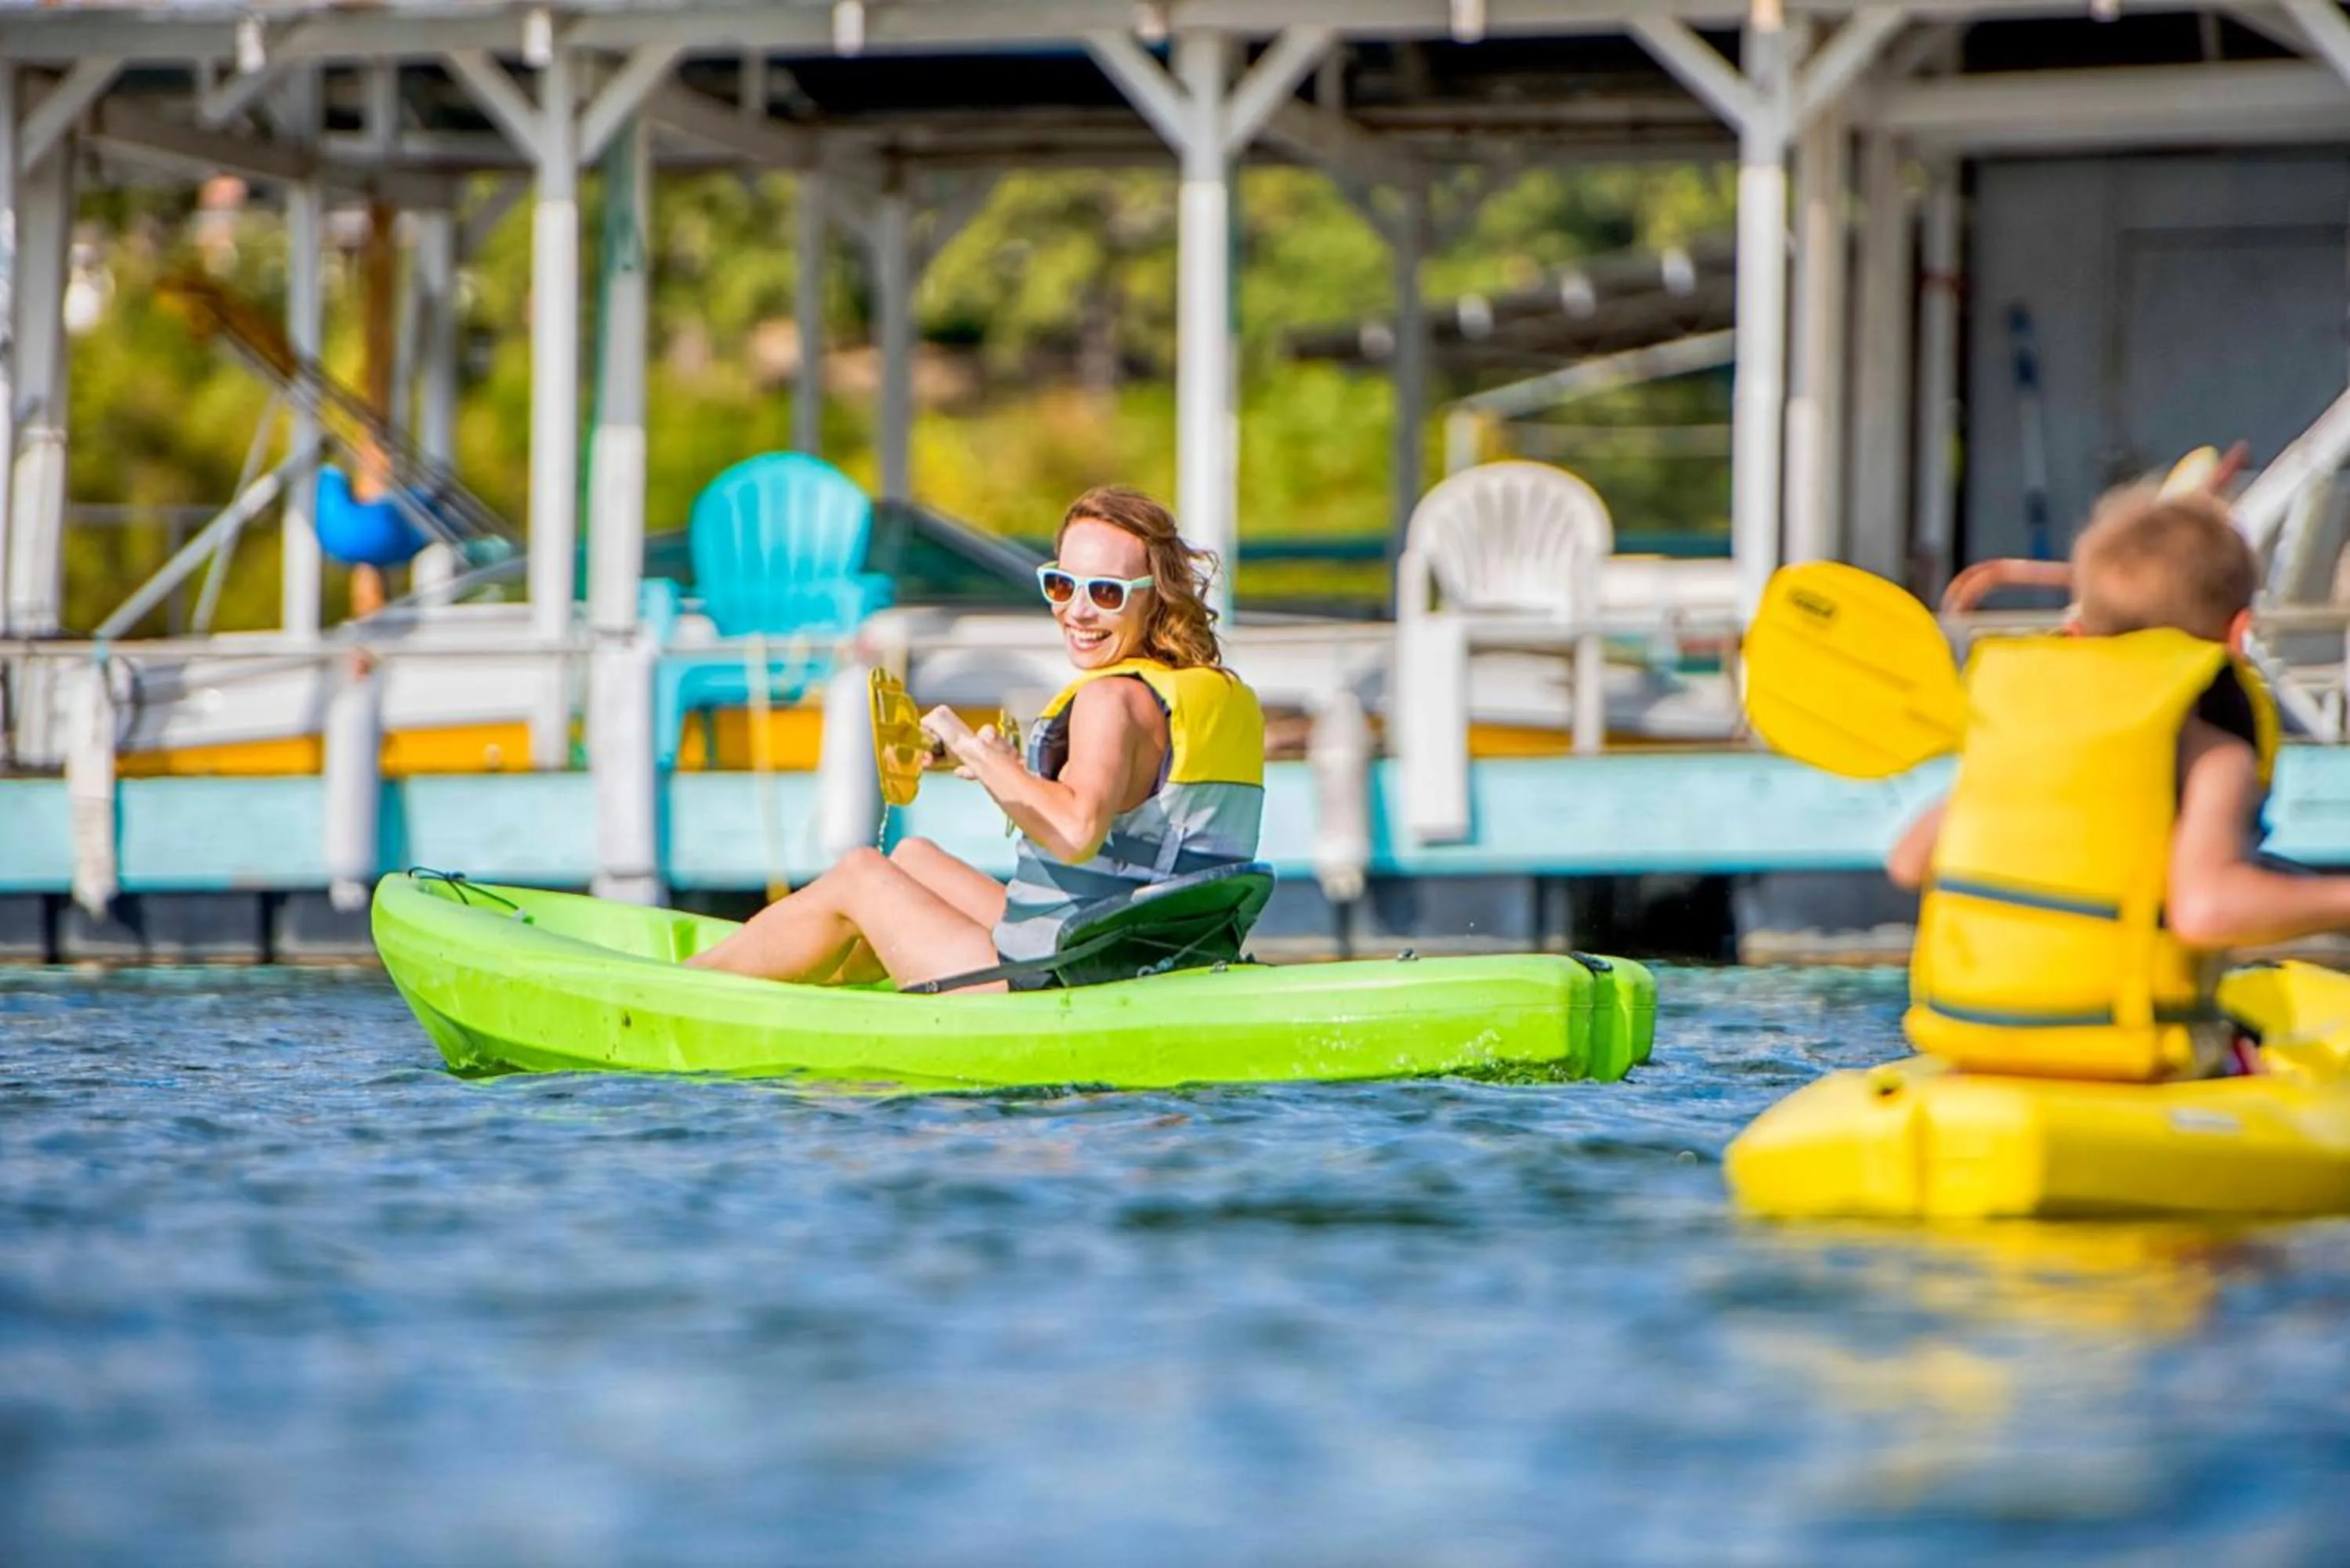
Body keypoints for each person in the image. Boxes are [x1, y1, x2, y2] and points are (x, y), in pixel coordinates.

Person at [687, 486, 1265, 992]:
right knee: (912, 858)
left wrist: (983, 758)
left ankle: (693, 986)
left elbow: (1075, 832)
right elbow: (1125, 825)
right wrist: (1009, 770)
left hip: (1058, 978)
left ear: (1154, 594)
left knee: (863, 871)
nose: (1077, 611)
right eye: (1061, 585)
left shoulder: (1109, 699)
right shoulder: (1207, 692)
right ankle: (804, 986)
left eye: (1106, 593)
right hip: (1146, 955)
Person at [1885, 479, 2350, 1081]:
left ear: (2080, 630)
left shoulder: (2026, 738)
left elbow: (1908, 860)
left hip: (1976, 1049)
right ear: (2238, 634)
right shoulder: (2215, 752)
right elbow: (2207, 910)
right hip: (2129, 1059)